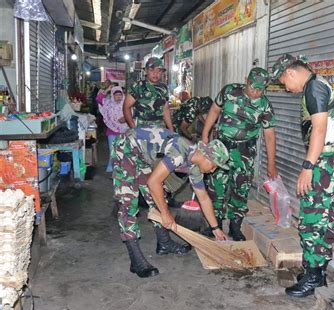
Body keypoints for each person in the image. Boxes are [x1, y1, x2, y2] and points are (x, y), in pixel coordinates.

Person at [271, 54, 334, 297]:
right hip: (330, 161)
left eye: (284, 81)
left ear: (291, 73)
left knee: (312, 220)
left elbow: (319, 129)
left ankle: (314, 277)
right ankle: (317, 273)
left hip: (324, 163)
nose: (286, 87)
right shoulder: (318, 85)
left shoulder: (313, 87)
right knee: (323, 219)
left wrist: (307, 167)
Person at [111, 127, 229, 278]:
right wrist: (166, 214)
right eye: (214, 166)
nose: (213, 171)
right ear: (207, 157)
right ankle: (136, 260)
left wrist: (215, 228)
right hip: (126, 148)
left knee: (159, 200)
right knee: (128, 202)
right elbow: (154, 182)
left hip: (143, 156)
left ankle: (164, 243)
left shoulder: (196, 165)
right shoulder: (179, 153)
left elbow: (203, 198)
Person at [201, 67, 278, 241]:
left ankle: (235, 226)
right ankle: (216, 224)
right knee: (216, 186)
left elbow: (270, 135)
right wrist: (205, 135)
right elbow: (214, 110)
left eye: (260, 89)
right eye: (253, 87)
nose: (256, 92)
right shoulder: (229, 91)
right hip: (221, 148)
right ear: (246, 80)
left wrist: (271, 165)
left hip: (245, 152)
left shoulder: (265, 105)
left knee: (240, 188)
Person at [123, 57, 174, 130]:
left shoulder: (163, 88)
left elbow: (165, 109)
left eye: (159, 71)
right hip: (141, 128)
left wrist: (171, 130)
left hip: (159, 129)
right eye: (151, 70)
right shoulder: (137, 86)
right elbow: (126, 107)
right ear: (146, 71)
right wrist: (133, 128)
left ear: (162, 73)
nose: (155, 73)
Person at [97, 86, 128, 172]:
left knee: (122, 150)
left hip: (124, 130)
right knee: (112, 150)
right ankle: (111, 167)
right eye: (116, 95)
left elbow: (132, 113)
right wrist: (107, 90)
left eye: (120, 95)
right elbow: (99, 98)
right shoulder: (108, 104)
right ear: (112, 96)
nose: (118, 97)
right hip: (111, 131)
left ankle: (121, 168)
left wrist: (125, 118)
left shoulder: (126, 104)